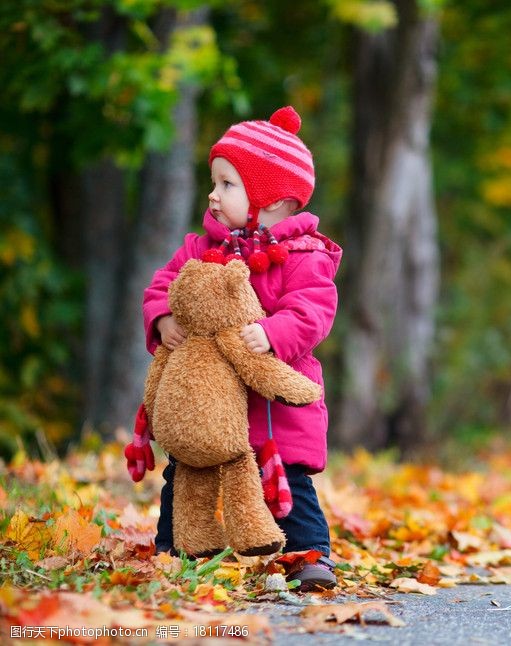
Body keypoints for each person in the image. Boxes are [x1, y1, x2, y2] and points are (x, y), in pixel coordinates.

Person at [141, 106, 341, 591]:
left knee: (288, 484)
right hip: (209, 404)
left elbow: (314, 309)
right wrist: (163, 318)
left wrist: (274, 334)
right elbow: (162, 285)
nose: (213, 194)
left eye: (228, 184)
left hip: (276, 407)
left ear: (274, 200)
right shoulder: (199, 249)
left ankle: (308, 556)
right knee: (185, 472)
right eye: (214, 182)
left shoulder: (303, 256)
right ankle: (177, 549)